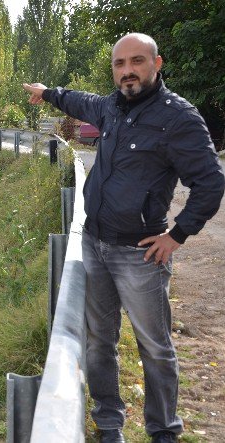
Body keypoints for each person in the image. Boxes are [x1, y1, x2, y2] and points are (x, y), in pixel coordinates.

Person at [23, 33, 224, 443]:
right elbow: (78, 100)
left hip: (140, 254)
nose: (128, 71)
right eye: (120, 64)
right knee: (100, 342)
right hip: (94, 244)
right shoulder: (111, 107)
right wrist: (48, 93)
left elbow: (210, 182)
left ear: (157, 63)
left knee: (155, 346)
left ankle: (163, 431)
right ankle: (109, 424)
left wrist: (177, 235)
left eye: (137, 61)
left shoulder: (178, 118)